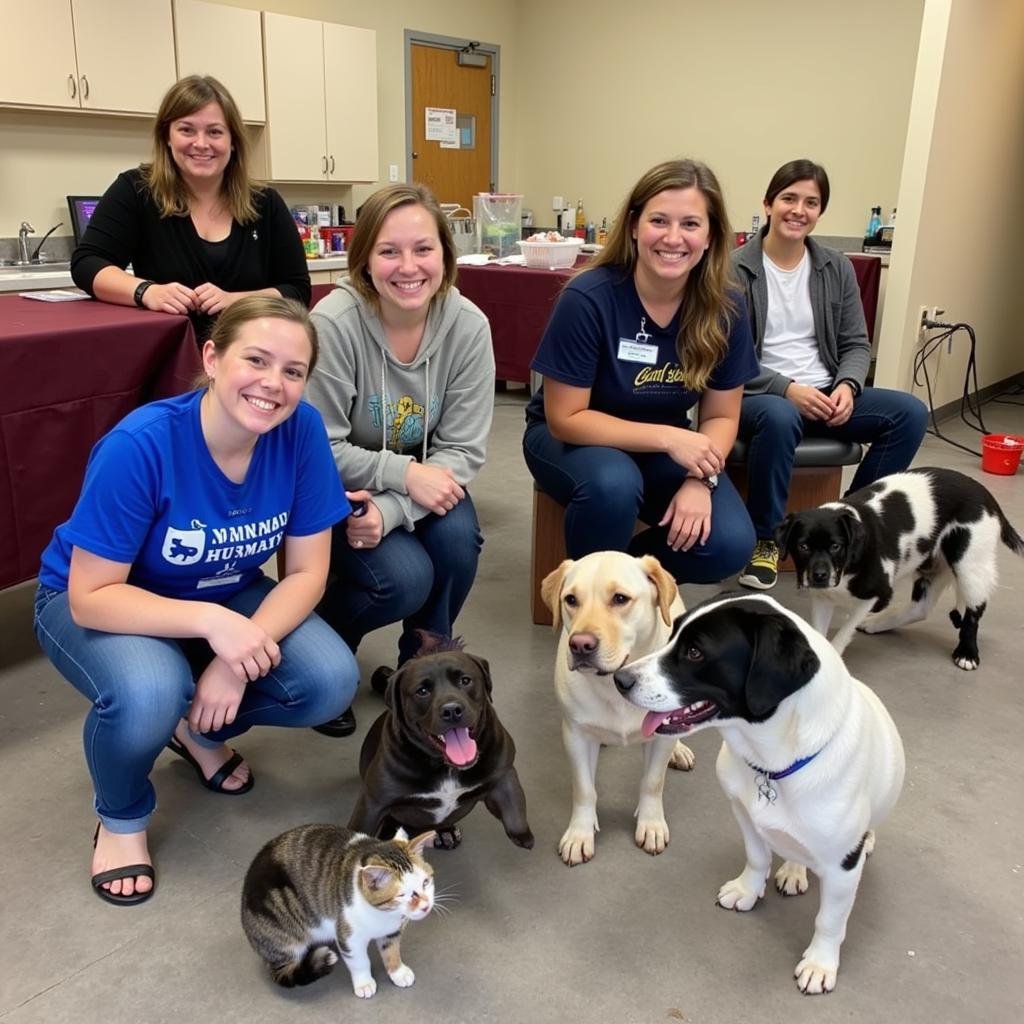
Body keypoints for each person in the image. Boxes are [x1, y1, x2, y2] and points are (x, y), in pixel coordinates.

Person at [33, 296, 358, 906]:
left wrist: (232, 660)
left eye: (293, 371)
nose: (273, 385)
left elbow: (308, 573)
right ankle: (122, 815)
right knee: (149, 690)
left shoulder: (301, 431)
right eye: (255, 360)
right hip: (106, 602)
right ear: (211, 356)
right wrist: (214, 626)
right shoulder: (142, 445)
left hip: (227, 586)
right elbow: (90, 597)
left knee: (329, 681)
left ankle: (194, 727)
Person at [305, 183, 495, 736]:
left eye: (423, 249)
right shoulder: (335, 323)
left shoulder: (468, 326)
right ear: (364, 259)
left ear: (445, 256)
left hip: (408, 492)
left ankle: (421, 674)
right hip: (335, 492)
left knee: (458, 538)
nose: (407, 267)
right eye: (389, 251)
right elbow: (324, 450)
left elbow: (462, 450)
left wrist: (391, 508)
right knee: (402, 578)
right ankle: (328, 651)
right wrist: (404, 474)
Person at [522, 158, 759, 582]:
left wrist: (699, 481)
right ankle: (591, 612)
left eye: (690, 224)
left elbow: (722, 416)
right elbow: (566, 418)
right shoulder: (588, 298)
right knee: (613, 484)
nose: (673, 238)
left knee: (729, 544)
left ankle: (618, 579)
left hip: (661, 450)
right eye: (659, 221)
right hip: (572, 440)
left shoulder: (727, 308)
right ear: (633, 226)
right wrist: (670, 437)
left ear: (710, 236)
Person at [732, 159, 928, 590]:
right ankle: (766, 540)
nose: (798, 209)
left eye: (811, 202)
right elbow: (725, 358)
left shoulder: (835, 267)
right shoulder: (733, 269)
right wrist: (787, 389)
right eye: (789, 198)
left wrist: (847, 384)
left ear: (820, 212)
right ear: (767, 203)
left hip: (825, 393)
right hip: (761, 396)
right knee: (780, 417)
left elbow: (857, 343)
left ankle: (852, 528)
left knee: (909, 414)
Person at [71, 75, 310, 342]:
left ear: (232, 141)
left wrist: (236, 301)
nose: (201, 143)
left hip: (251, 358)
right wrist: (147, 291)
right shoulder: (137, 190)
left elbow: (297, 290)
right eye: (186, 129)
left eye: (215, 132)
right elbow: (87, 264)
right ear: (167, 137)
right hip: (170, 359)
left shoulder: (266, 203)